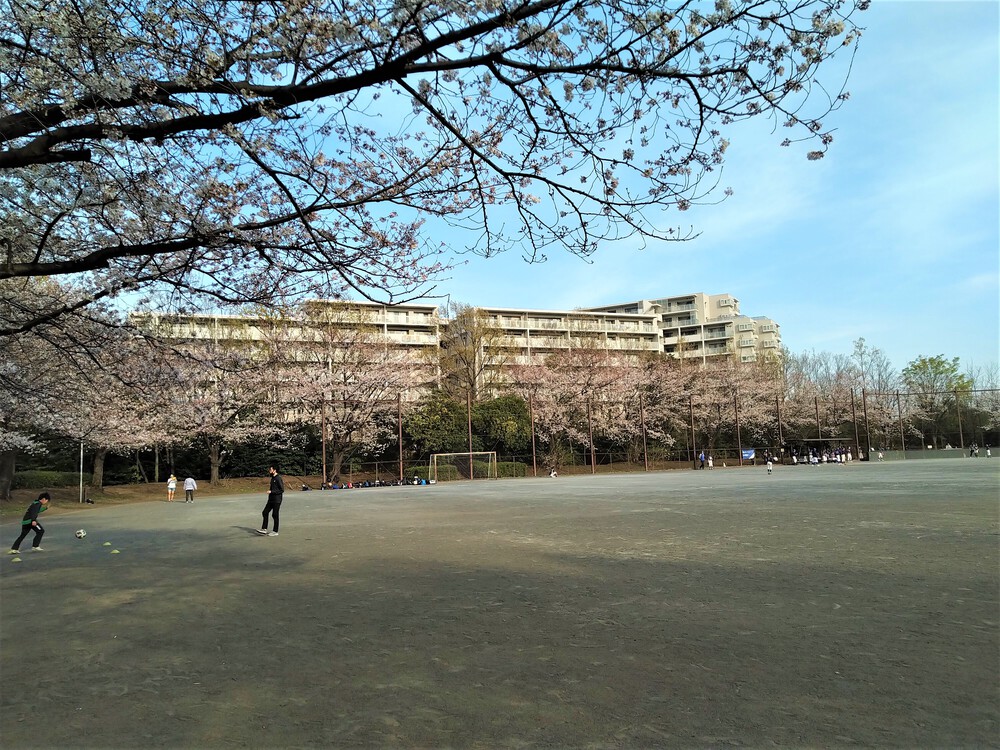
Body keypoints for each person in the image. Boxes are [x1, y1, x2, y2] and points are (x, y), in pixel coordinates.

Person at [256, 465, 285, 537]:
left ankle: (275, 531)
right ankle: (264, 529)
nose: (269, 470)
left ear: (274, 470)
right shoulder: (272, 478)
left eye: (270, 469)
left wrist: (271, 491)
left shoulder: (278, 478)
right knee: (265, 512)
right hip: (271, 500)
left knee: (275, 515)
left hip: (277, 500)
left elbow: (282, 490)